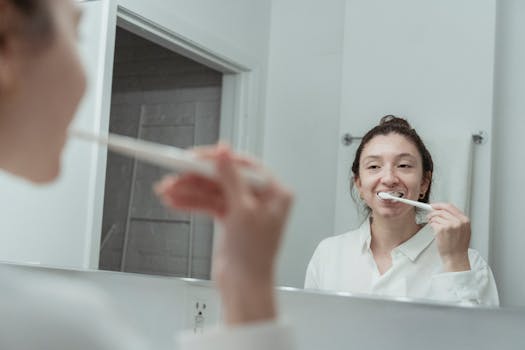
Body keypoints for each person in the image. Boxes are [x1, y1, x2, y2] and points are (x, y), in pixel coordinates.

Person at [0, 0, 294, 349]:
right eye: (76, 32)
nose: (84, 79)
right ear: (8, 37)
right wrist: (251, 290)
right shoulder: (55, 326)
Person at [305, 116, 499, 306]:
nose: (389, 178)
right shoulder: (328, 255)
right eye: (374, 166)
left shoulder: (471, 264)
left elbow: (475, 337)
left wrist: (455, 262)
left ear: (424, 183)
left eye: (404, 165)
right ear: (359, 185)